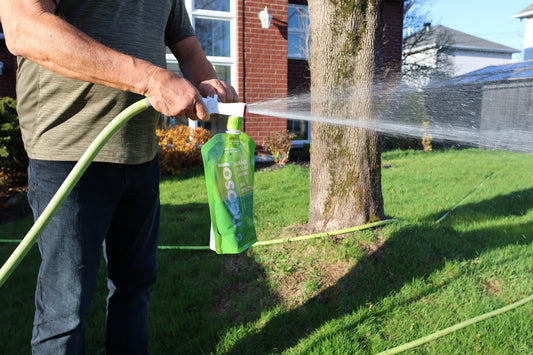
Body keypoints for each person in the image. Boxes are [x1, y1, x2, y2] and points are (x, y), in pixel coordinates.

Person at [0, 1, 239, 353]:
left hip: (140, 154)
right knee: (64, 309)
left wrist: (206, 80)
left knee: (134, 289)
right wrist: (152, 78)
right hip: (68, 155)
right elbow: (24, 28)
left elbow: (187, 49)